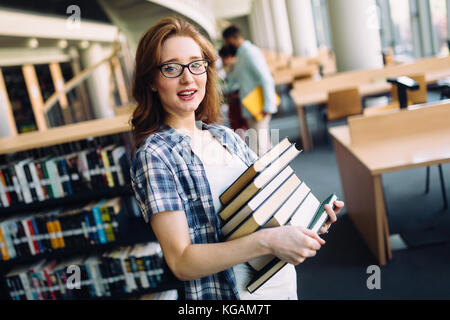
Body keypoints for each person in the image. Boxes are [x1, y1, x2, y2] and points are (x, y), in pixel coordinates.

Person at [130, 17, 344, 300]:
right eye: (171, 68)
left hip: (281, 288)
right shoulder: (156, 155)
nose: (188, 78)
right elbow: (181, 261)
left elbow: (265, 209)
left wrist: (307, 224)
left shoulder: (225, 136)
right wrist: (268, 241)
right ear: (152, 81)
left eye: (197, 64)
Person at [222, 25, 277, 156]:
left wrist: (268, 106)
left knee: (261, 148)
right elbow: (233, 83)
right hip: (250, 108)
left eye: (226, 42)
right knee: (260, 146)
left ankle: (270, 174)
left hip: (260, 107)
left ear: (231, 39)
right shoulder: (241, 55)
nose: (226, 45)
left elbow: (266, 78)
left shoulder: (250, 53)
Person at [218, 45, 248, 138]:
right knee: (240, 129)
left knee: (240, 128)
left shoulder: (237, 68)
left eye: (223, 58)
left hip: (240, 103)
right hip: (236, 103)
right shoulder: (231, 69)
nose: (222, 62)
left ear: (229, 57)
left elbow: (233, 87)